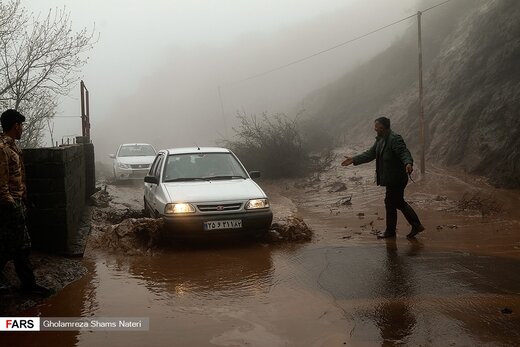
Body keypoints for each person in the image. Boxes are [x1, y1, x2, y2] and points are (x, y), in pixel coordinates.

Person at [341, 116, 424, 239]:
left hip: (397, 178)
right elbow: (370, 154)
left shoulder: (394, 139)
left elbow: (404, 152)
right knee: (396, 202)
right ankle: (412, 226)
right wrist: (354, 159)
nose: (374, 129)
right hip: (390, 178)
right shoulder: (380, 140)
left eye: (376, 126)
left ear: (383, 127)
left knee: (392, 203)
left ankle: (393, 231)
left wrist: (408, 163)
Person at [0, 109, 52, 296]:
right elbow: (2, 183)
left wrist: (25, 198)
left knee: (21, 245)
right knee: (10, 247)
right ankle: (28, 284)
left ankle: (28, 284)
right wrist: (12, 206)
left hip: (18, 202)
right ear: (15, 126)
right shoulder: (3, 148)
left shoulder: (14, 147)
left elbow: (18, 176)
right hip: (10, 206)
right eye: (21, 125)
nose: (22, 129)